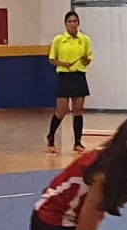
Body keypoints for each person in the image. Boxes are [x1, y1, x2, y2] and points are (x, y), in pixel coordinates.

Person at [45, 12, 93, 154]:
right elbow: (52, 59)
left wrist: (85, 59)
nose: (73, 23)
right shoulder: (59, 40)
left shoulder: (85, 40)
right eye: (70, 21)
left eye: (75, 21)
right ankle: (51, 136)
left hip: (79, 75)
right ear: (65, 23)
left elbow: (88, 59)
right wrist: (63, 64)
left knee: (78, 110)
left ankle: (77, 142)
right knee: (62, 110)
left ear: (78, 23)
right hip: (65, 76)